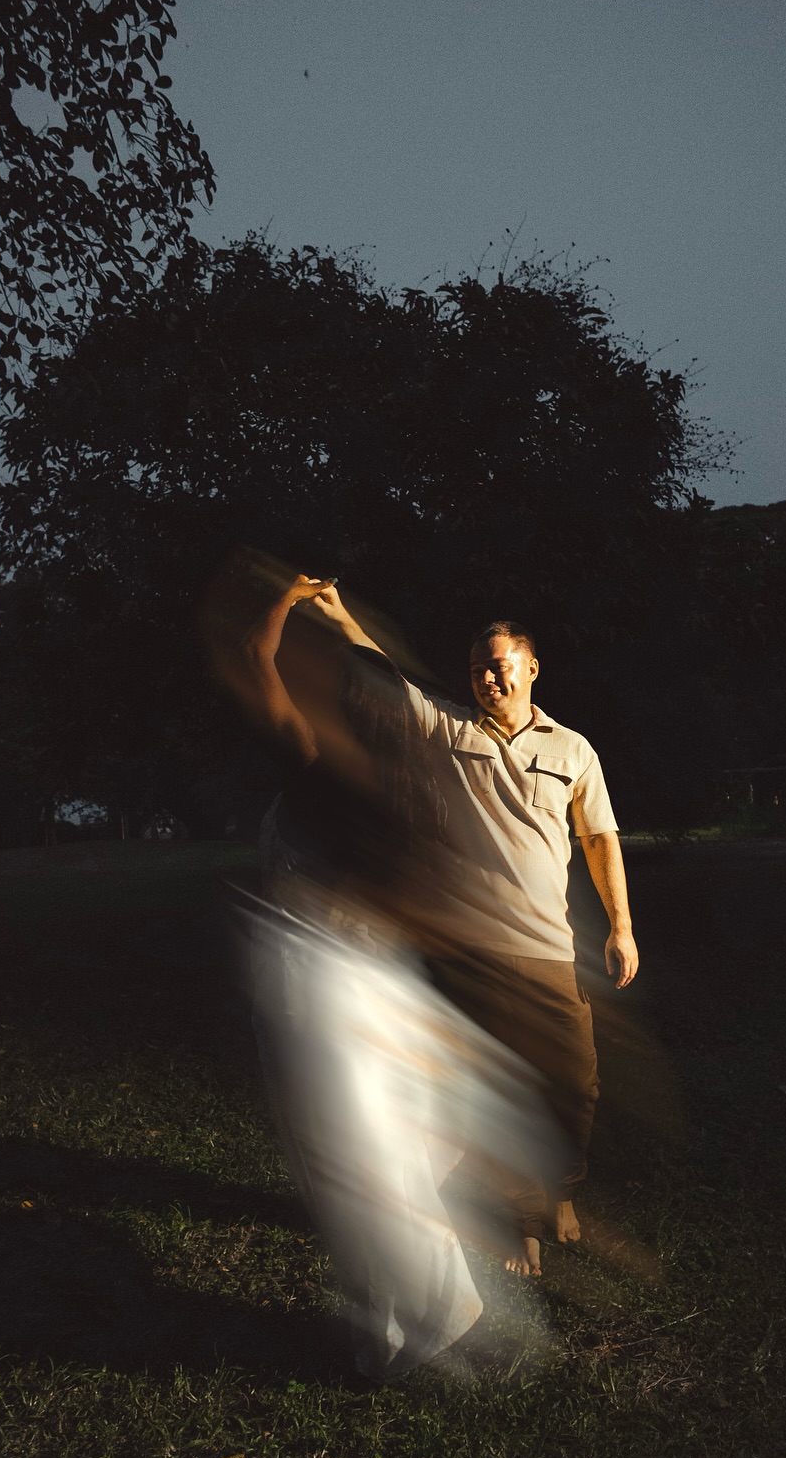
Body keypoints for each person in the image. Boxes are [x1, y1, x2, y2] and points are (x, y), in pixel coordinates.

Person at [212, 565, 561, 1380]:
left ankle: (416, 1328)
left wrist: (288, 599)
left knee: (357, 1163)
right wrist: (340, 618)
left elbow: (254, 656)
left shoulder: (314, 762)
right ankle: (416, 1324)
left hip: (317, 983)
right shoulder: (410, 782)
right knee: (383, 1157)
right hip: (374, 981)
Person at [307, 590, 636, 1278]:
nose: (487, 677)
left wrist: (621, 928)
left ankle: (561, 1191)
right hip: (476, 952)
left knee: (576, 1086)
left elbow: (600, 839)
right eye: (478, 668)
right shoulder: (451, 732)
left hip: (550, 949)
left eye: (499, 664)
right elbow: (385, 676)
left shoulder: (573, 750)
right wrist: (336, 611)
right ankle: (525, 1225)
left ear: (532, 668)